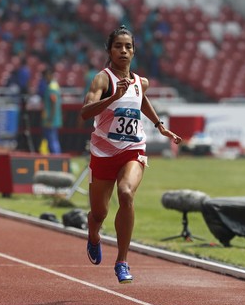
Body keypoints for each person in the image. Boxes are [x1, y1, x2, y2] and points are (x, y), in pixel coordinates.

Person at [80, 26, 182, 283]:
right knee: (99, 213)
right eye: (118, 46)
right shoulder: (102, 79)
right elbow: (85, 112)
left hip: (132, 149)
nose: (123, 51)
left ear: (134, 51)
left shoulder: (140, 82)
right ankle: (93, 234)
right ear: (109, 50)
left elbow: (141, 99)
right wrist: (114, 96)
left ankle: (122, 261)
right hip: (103, 153)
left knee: (126, 194)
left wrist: (160, 126)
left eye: (128, 46)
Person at [41, 67, 62, 154]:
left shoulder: (51, 88)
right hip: (51, 118)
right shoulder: (55, 85)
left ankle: (56, 158)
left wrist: (50, 119)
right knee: (52, 139)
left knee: (52, 140)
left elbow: (53, 104)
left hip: (51, 119)